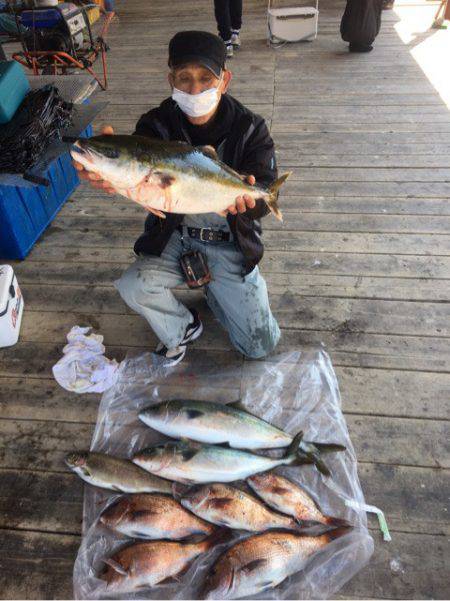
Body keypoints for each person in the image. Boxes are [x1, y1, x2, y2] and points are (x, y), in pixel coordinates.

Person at [74, 30, 281, 365]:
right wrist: (104, 170)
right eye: (184, 78)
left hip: (229, 241)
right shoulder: (155, 124)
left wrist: (251, 201)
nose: (195, 89)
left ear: (224, 80)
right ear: (171, 79)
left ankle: (218, 292)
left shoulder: (251, 128)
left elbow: (263, 195)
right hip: (174, 237)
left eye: (205, 78)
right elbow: (134, 172)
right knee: (134, 285)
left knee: (259, 346)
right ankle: (184, 327)